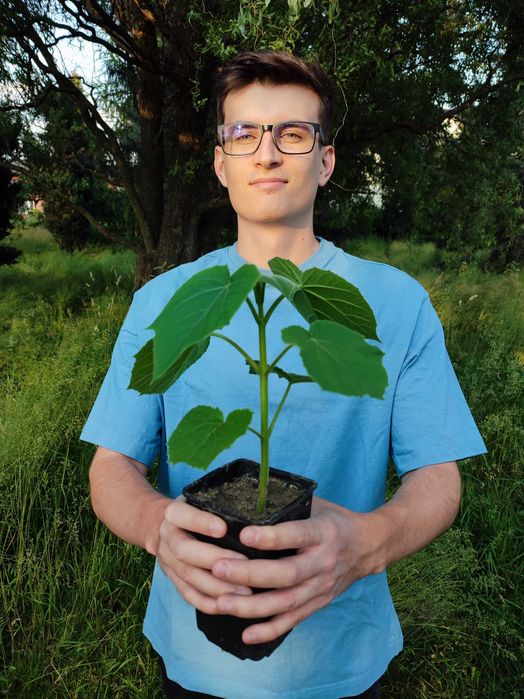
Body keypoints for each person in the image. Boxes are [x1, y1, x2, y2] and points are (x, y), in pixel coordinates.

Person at [82, 50, 486, 699]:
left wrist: (368, 540)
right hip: (193, 653)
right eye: (244, 134)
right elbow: (112, 466)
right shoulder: (166, 302)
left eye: (292, 133)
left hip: (344, 660)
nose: (267, 153)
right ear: (221, 162)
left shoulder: (396, 301)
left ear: (324, 161)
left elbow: (438, 475)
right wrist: (157, 523)